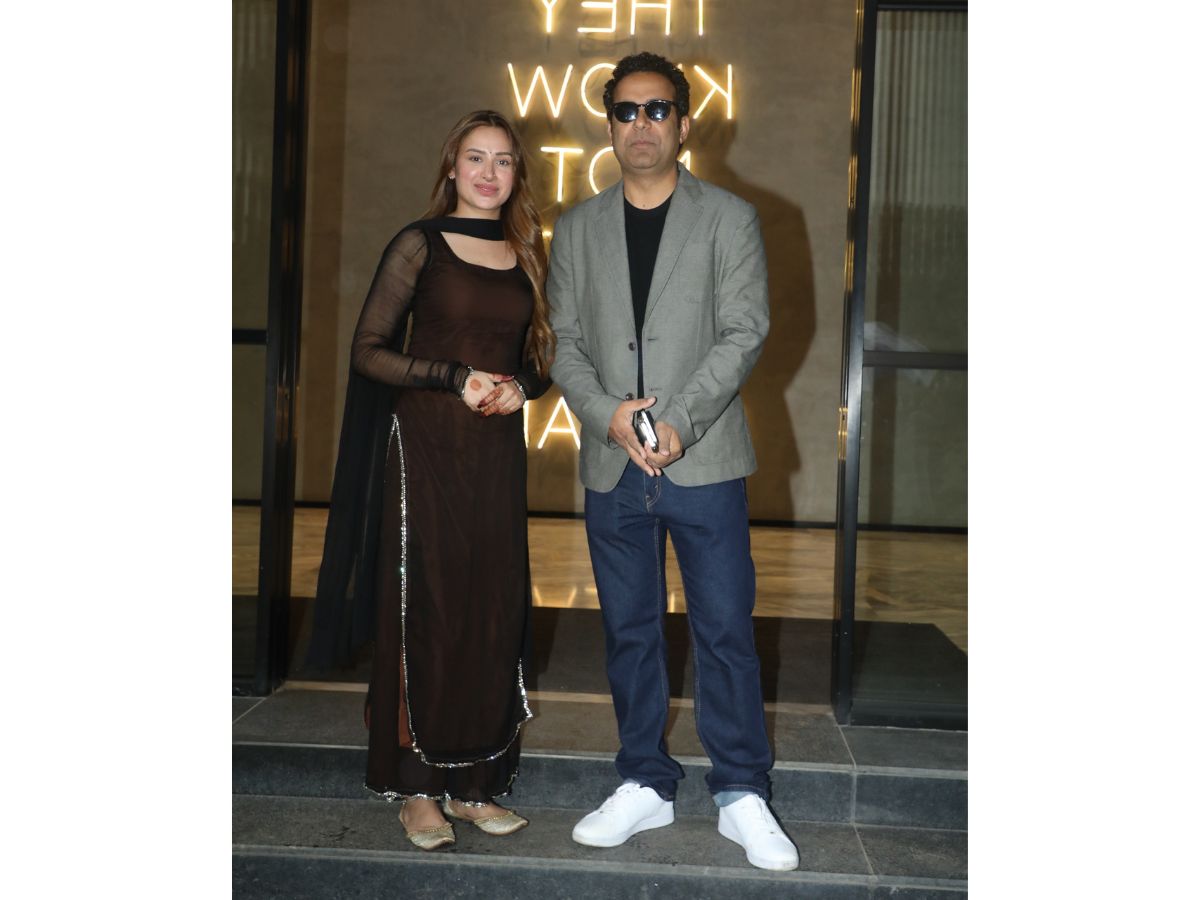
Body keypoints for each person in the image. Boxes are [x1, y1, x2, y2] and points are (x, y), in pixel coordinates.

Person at [547, 53, 799, 871]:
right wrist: (607, 414)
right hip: (613, 466)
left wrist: (680, 421)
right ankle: (645, 781)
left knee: (724, 630)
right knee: (629, 631)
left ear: (685, 124)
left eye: (658, 109)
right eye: (626, 111)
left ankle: (742, 791)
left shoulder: (729, 218)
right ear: (609, 125)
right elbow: (564, 342)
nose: (642, 125)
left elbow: (744, 330)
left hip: (705, 459)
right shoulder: (576, 228)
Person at [307, 110, 553, 851]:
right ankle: (416, 788)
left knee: (491, 608)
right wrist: (453, 376)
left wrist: (525, 387)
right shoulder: (419, 243)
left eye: (503, 160)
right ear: (451, 166)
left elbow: (545, 352)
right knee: (429, 607)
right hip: (423, 451)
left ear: (516, 173)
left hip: (495, 455)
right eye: (475, 157)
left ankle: (474, 784)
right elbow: (368, 350)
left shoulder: (527, 250)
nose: (488, 172)